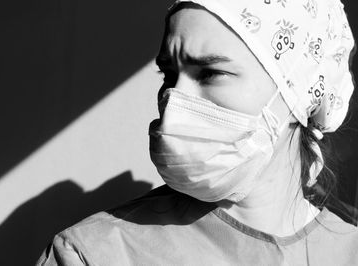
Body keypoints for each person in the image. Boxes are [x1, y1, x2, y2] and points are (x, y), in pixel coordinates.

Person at [37, 0, 358, 265]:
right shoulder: (94, 254)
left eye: (210, 73)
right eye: (169, 75)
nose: (174, 102)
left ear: (299, 94)